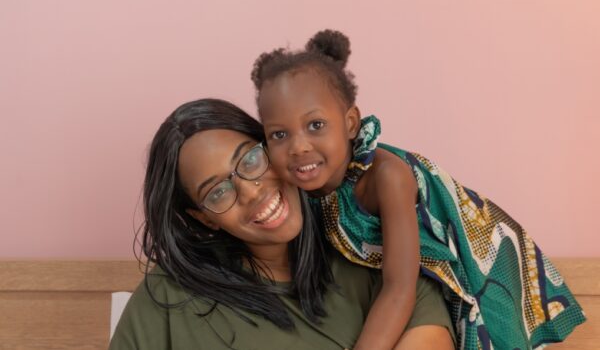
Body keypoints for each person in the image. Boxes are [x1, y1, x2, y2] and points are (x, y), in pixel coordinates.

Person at [251, 29, 586, 350]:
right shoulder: (292, 188)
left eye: (316, 125)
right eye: (279, 134)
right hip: (402, 274)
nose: (298, 147)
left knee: (485, 331)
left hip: (471, 257)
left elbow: (399, 287)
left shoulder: (387, 178)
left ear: (351, 123)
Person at [109, 98, 455, 350]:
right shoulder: (168, 297)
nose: (251, 191)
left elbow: (432, 340)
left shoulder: (372, 251)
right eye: (217, 193)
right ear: (203, 217)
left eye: (251, 159)